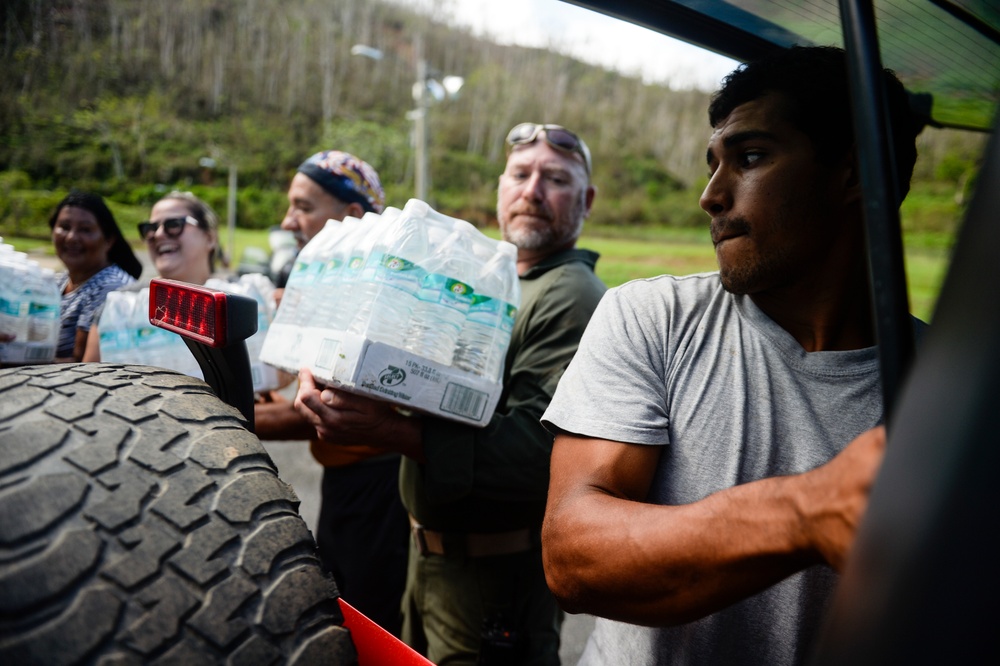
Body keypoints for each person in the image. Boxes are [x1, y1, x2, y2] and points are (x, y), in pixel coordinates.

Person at [539, 46, 924, 665]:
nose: (710, 196)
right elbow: (573, 557)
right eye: (712, 164)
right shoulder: (654, 319)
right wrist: (804, 512)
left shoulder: (945, 390)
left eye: (751, 157)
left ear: (857, 175)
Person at [293, 123, 607, 665]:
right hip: (434, 566)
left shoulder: (569, 295)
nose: (532, 191)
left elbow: (539, 454)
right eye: (520, 175)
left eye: (555, 179)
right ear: (500, 187)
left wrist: (387, 429)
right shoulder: (498, 283)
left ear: (587, 199)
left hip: (492, 584)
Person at [251, 151, 412, 637]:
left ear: (352, 216)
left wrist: (230, 418)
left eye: (303, 206)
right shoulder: (339, 281)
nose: (287, 221)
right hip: (345, 481)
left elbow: (324, 407)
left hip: (379, 490)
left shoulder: (380, 293)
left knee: (366, 625)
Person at [82, 190, 221, 362]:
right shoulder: (120, 305)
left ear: (210, 238)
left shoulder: (246, 299)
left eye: (174, 224)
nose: (158, 234)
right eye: (150, 228)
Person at [48, 192, 142, 361]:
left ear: (108, 240)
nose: (71, 237)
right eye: (64, 227)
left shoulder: (111, 287)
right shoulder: (58, 281)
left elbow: (78, 364)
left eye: (85, 230)